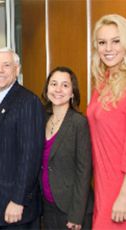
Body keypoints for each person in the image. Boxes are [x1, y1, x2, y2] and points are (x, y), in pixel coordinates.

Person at [0, 47, 45, 229]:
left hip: (15, 207)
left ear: (17, 69)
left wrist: (18, 200)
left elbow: (30, 156)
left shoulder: (28, 102)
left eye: (6, 65)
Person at [41, 66, 93, 230]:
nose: (58, 89)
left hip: (71, 209)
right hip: (47, 207)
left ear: (72, 92)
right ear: (47, 89)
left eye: (65, 85)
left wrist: (76, 215)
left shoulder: (79, 123)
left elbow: (83, 172)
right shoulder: (42, 118)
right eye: (53, 84)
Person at [87, 14, 126, 229]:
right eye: (102, 42)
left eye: (116, 41)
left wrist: (124, 196)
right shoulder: (102, 84)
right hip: (102, 182)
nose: (108, 48)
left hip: (120, 187)